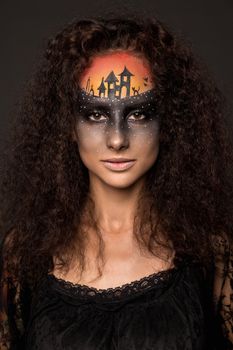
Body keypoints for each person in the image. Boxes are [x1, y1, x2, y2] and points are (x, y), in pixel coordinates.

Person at [0, 12, 232, 350]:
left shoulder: (211, 251)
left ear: (168, 122)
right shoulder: (25, 255)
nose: (117, 139)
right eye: (96, 114)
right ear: (68, 125)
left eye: (138, 114)